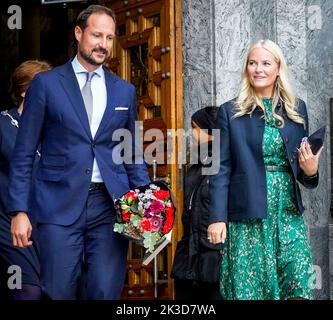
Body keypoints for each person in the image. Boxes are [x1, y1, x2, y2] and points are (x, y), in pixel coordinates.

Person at [7, 5, 149, 300]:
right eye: (97, 35)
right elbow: (23, 153)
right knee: (58, 291)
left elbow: (132, 153)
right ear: (78, 33)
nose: (104, 45)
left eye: (110, 38)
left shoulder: (124, 91)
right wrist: (19, 210)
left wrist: (147, 209)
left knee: (104, 290)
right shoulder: (46, 85)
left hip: (110, 205)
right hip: (57, 204)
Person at [208, 39, 323, 300]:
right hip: (247, 214)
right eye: (252, 63)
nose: (258, 69)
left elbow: (304, 171)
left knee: (297, 283)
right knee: (251, 289)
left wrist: (311, 169)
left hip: (288, 212)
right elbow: (220, 168)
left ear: (278, 69)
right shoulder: (230, 111)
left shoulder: (297, 109)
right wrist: (217, 217)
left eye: (265, 63)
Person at [0, 60, 51, 300]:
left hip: (48, 225)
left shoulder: (57, 131)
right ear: (23, 90)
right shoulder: (3, 124)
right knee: (27, 289)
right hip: (9, 223)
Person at [172, 106, 222, 300]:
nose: (190, 133)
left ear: (211, 131)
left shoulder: (224, 165)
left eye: (195, 127)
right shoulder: (195, 164)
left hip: (214, 260)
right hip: (188, 258)